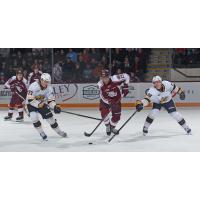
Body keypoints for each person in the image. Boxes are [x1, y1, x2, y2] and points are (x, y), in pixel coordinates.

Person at [26, 73, 67, 140]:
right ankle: (41, 132)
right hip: (31, 104)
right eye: (45, 81)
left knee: (50, 119)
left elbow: (50, 100)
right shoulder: (33, 86)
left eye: (47, 82)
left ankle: (59, 131)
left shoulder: (49, 88)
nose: (46, 83)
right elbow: (30, 99)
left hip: (41, 104)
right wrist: (38, 104)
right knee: (34, 117)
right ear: (41, 80)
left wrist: (55, 107)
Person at [98, 69, 130, 135]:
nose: (105, 79)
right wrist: (110, 102)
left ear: (109, 76)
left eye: (106, 77)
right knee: (104, 114)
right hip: (105, 101)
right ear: (100, 78)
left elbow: (126, 76)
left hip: (116, 100)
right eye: (103, 78)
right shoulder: (100, 84)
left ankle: (112, 127)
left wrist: (126, 86)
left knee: (117, 117)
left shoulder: (115, 78)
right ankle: (107, 126)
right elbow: (102, 96)